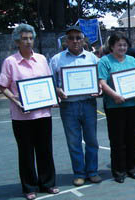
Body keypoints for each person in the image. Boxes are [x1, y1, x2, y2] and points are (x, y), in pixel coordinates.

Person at [0, 24, 59, 200]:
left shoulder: (41, 59)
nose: (28, 41)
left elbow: (48, 83)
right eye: (24, 38)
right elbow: (2, 86)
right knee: (25, 152)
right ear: (17, 41)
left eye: (31, 38)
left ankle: (47, 183)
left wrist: (53, 99)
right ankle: (29, 186)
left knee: (45, 150)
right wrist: (16, 101)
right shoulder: (10, 62)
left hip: (43, 114)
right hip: (21, 116)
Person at [49, 26, 102, 187]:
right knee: (74, 142)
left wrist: (99, 88)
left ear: (83, 40)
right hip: (68, 106)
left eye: (78, 37)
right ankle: (79, 173)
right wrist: (57, 90)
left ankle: (92, 172)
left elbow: (101, 79)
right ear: (66, 40)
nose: (75, 41)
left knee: (92, 140)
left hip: (88, 104)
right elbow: (50, 82)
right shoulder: (56, 59)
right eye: (71, 38)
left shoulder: (93, 58)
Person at [98, 32, 135, 183]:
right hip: (114, 105)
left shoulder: (132, 60)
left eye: (124, 45)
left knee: (132, 138)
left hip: (133, 104)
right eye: (119, 45)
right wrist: (115, 95)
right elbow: (102, 83)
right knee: (117, 140)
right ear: (112, 46)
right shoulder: (105, 61)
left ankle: (132, 168)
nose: (122, 47)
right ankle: (119, 171)